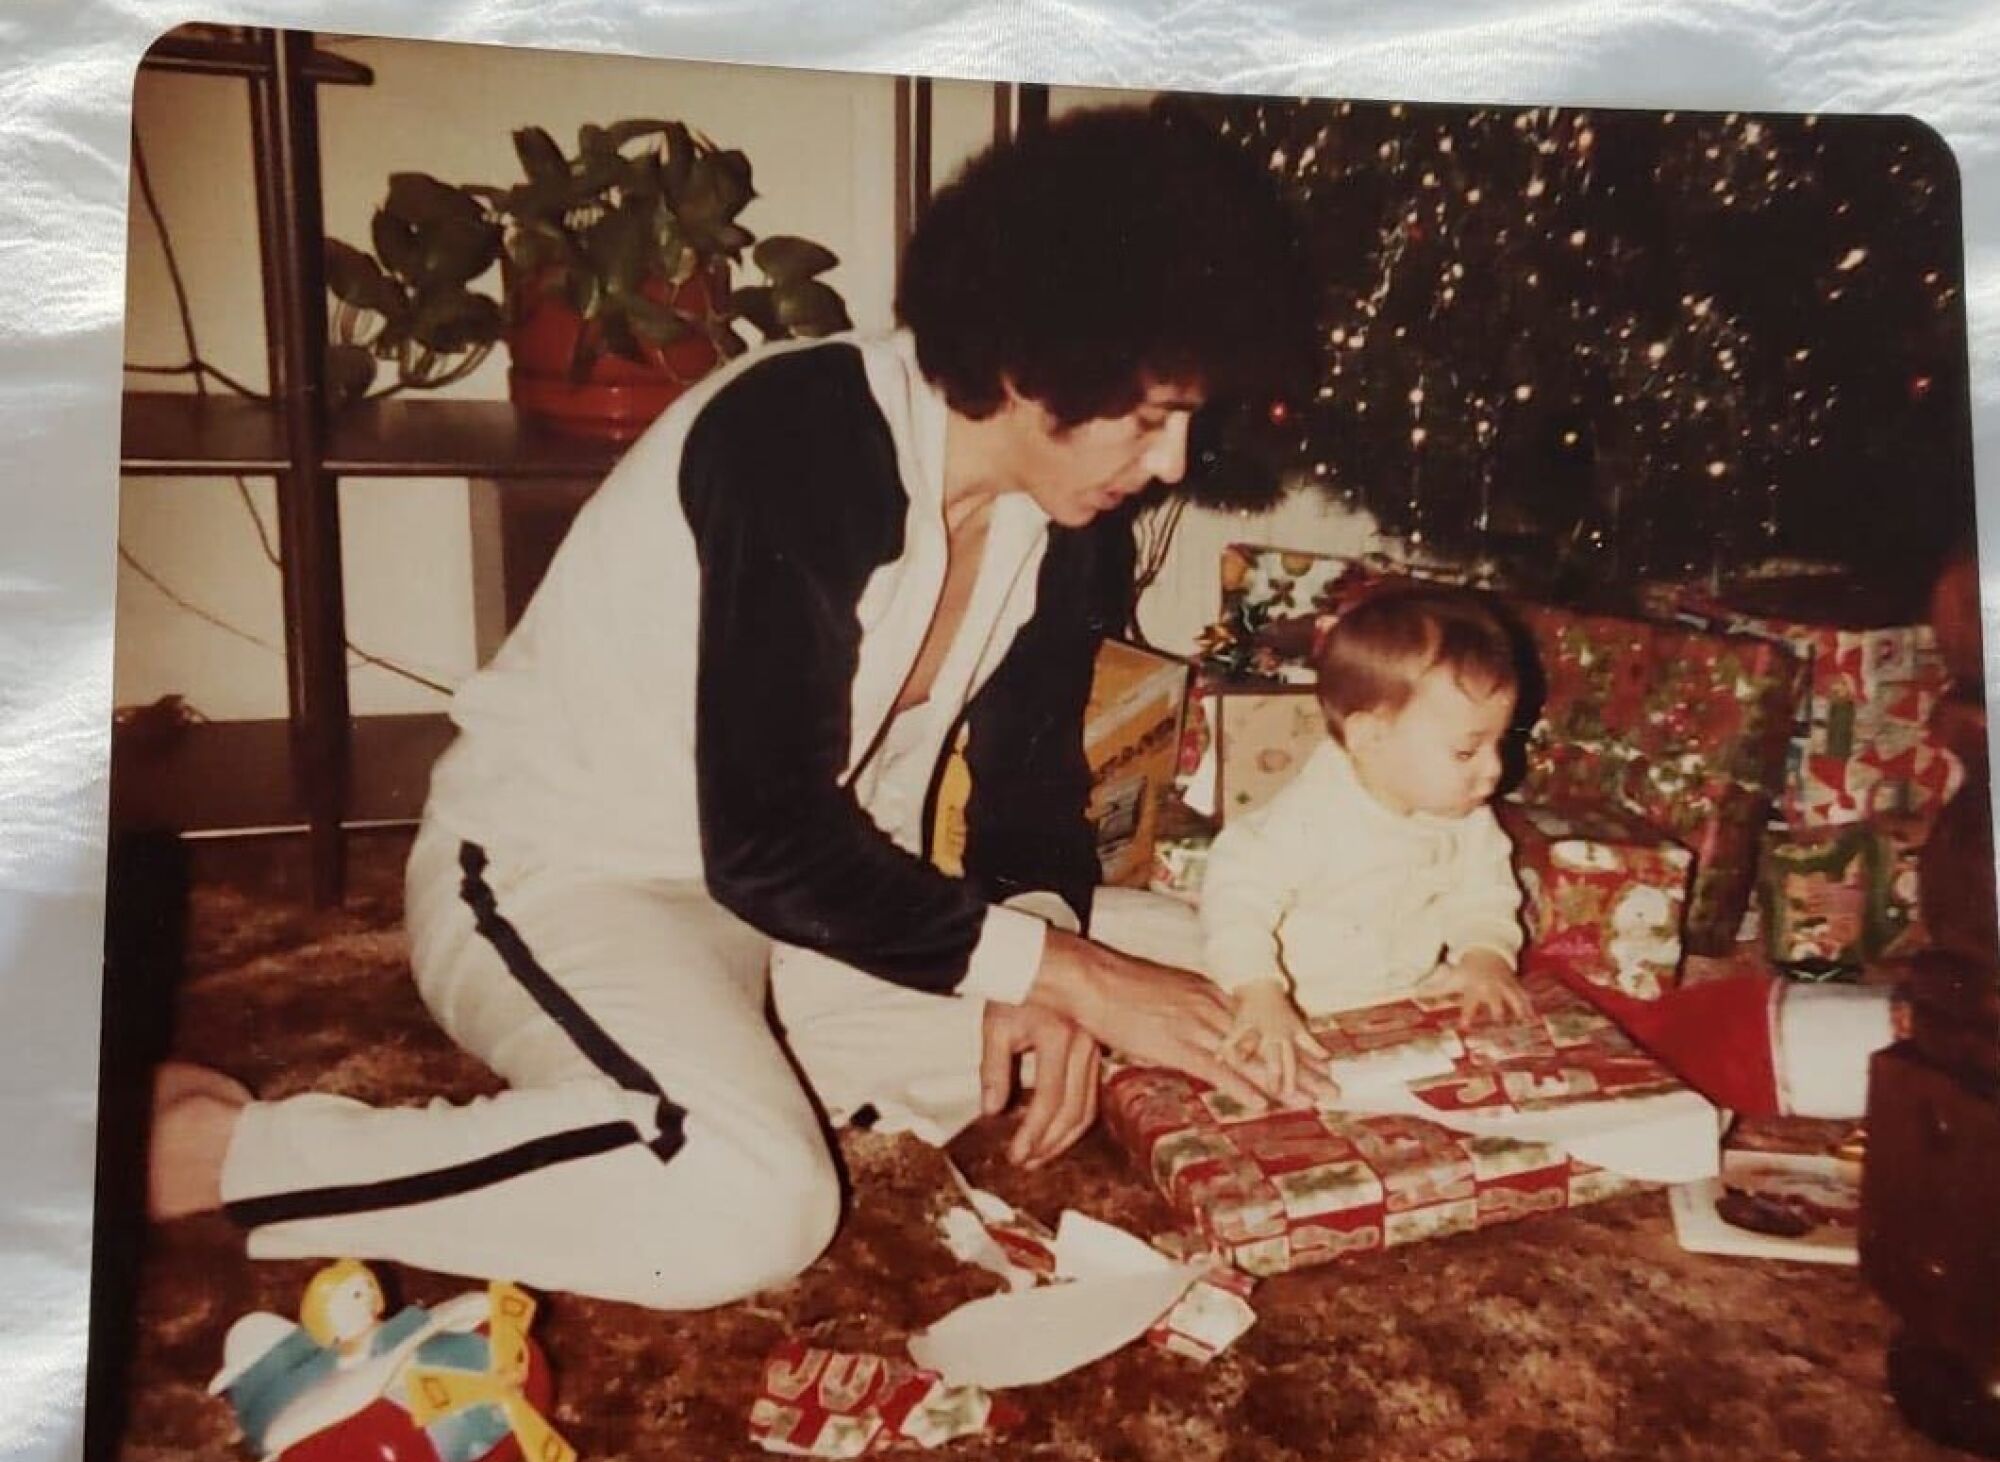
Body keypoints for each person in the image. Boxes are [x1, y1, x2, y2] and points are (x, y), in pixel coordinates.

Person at [147, 104, 1321, 1310]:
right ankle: (237, 1154)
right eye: (1147, 416)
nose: (1173, 463)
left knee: (1247, 964)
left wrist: (1045, 956)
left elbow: (1029, 794)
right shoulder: (802, 437)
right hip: (559, 878)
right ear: (1032, 363)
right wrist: (1068, 974)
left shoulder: (1063, 521)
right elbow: (766, 841)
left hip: (796, 920)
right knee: (754, 1202)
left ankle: (713, 1080)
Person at [1199, 586, 1532, 1101]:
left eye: (1500, 743)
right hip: (1299, 1007)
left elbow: (1485, 891)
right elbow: (1236, 901)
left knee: (1492, 1071)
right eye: (1467, 752)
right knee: (1267, 1094)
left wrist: (1485, 953)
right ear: (1370, 737)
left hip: (1405, 994)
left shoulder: (1464, 817)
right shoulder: (1310, 819)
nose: (1495, 771)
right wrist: (1259, 991)